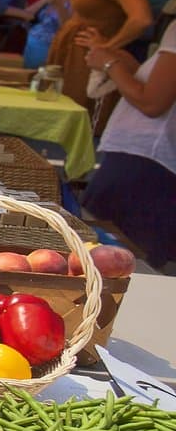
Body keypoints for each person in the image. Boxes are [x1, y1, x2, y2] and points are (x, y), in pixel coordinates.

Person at [81, 21, 176, 268]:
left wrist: (109, 65)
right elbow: (158, 86)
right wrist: (122, 63)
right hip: (148, 157)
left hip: (146, 157)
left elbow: (152, 103)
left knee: (113, 256)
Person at [5, 0, 84, 68]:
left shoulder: (78, 1)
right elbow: (26, 15)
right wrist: (44, 1)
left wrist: (59, 7)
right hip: (28, 40)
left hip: (48, 47)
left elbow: (68, 30)